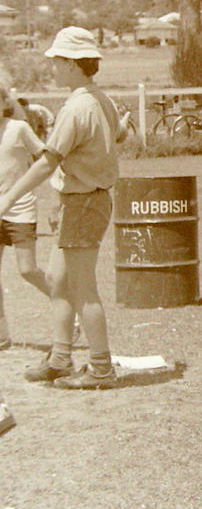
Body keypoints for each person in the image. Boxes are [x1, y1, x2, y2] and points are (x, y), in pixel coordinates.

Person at [0, 27, 130, 389]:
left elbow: (47, 161)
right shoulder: (99, 99)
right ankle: (60, 358)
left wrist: (7, 198)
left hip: (85, 201)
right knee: (58, 280)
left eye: (57, 61)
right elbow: (122, 135)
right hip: (84, 200)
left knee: (83, 287)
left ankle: (101, 368)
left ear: (73, 63)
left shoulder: (78, 106)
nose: (54, 68)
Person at [0, 87, 51, 351]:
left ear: (4, 104)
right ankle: (2, 334)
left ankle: (69, 306)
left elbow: (46, 158)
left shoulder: (18, 128)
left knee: (27, 269)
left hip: (20, 208)